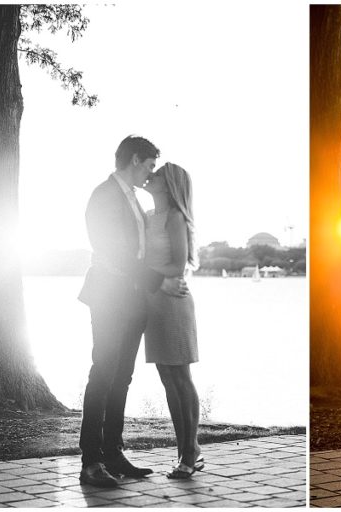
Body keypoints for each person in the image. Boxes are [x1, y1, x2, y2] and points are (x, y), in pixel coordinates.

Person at [77, 136, 188, 488]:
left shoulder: (134, 201)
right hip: (109, 296)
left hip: (133, 299)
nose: (150, 174)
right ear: (136, 159)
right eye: (150, 166)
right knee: (102, 374)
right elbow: (113, 252)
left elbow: (139, 252)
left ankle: (113, 453)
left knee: (122, 377)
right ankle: (91, 461)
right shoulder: (104, 196)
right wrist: (160, 282)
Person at [141, 163, 203, 479]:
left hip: (173, 302)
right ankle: (187, 450)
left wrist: (145, 275)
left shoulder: (175, 217)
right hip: (153, 301)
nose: (151, 176)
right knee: (167, 377)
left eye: (158, 174)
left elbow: (178, 264)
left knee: (180, 375)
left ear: (169, 185)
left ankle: (190, 452)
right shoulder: (147, 217)